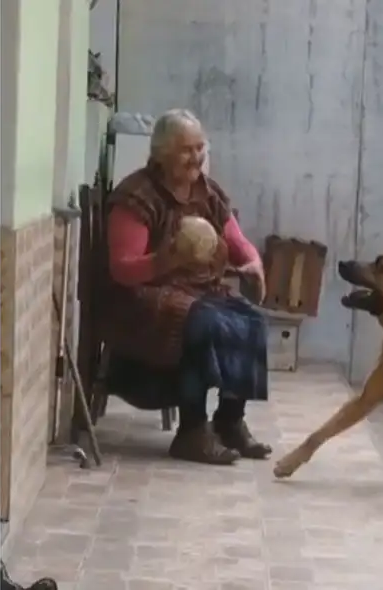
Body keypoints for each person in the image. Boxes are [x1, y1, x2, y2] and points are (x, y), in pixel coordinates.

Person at [103, 108, 272, 466]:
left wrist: (252, 263)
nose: (196, 157)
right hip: (144, 295)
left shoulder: (207, 193)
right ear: (161, 154)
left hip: (199, 291)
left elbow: (236, 239)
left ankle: (229, 420)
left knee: (251, 320)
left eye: (200, 148)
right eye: (185, 150)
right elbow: (122, 269)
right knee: (199, 322)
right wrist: (166, 260)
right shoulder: (137, 196)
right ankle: (192, 431)